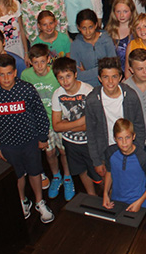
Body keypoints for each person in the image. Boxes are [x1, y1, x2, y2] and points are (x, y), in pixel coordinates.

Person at [0, 53, 56, 225]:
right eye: (1, 74)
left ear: (15, 72)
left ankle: (39, 202)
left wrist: (42, 136)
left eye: (9, 73)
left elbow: (40, 114)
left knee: (35, 172)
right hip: (8, 145)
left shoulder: (27, 89)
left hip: (30, 142)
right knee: (17, 176)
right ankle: (22, 201)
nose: (6, 78)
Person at [22, 43, 70, 200]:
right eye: (35, 62)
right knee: (49, 153)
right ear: (30, 62)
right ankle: (56, 176)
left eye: (42, 61)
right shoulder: (26, 76)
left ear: (49, 59)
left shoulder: (55, 75)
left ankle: (68, 177)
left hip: (59, 120)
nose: (39, 66)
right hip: (42, 124)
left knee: (63, 151)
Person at [85, 56, 146, 174]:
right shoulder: (92, 100)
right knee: (109, 185)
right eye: (105, 77)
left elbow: (139, 127)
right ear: (99, 78)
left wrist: (136, 151)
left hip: (129, 150)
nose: (110, 81)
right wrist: (97, 161)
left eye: (114, 77)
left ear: (120, 77)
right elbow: (91, 133)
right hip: (105, 152)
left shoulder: (130, 96)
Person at [51, 56, 100, 198]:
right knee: (81, 171)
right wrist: (81, 122)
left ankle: (105, 197)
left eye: (68, 76)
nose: (65, 81)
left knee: (98, 174)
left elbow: (92, 124)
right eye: (61, 78)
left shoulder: (88, 91)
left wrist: (66, 125)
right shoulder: (57, 94)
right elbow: (56, 126)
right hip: (71, 143)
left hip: (89, 142)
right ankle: (91, 196)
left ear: (75, 74)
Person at [103, 118, 146, 212]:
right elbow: (109, 171)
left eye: (127, 137)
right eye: (120, 138)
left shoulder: (143, 157)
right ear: (114, 139)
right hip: (116, 201)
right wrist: (105, 193)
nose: (124, 142)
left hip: (139, 204)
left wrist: (140, 202)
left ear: (133, 136)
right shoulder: (110, 152)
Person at [71, 10, 116, 87]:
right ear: (78, 28)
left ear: (96, 25)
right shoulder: (75, 45)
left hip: (109, 83)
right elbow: (77, 75)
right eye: (84, 28)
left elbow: (113, 65)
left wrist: (86, 72)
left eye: (90, 27)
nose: (88, 32)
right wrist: (103, 68)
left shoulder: (106, 40)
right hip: (87, 85)